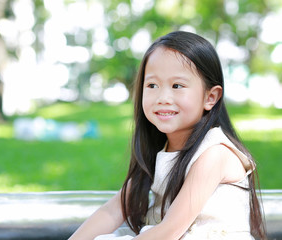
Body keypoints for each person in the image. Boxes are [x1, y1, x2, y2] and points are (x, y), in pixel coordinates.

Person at [68, 31, 266, 240]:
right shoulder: (158, 150)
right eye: (152, 85)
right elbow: (113, 211)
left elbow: (171, 230)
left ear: (211, 97)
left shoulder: (214, 154)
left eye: (177, 86)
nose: (163, 97)